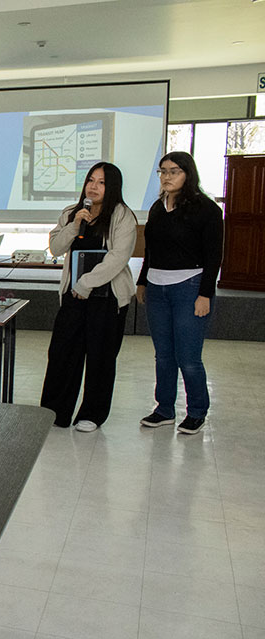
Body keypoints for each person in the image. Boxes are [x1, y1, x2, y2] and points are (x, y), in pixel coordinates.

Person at [40, 162, 137, 432]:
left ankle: (92, 414)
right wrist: (74, 225)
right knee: (62, 353)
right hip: (73, 295)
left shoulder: (122, 215)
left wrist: (87, 283)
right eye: (91, 180)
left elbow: (118, 257)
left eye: (101, 182)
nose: (93, 187)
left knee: (100, 356)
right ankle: (55, 412)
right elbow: (56, 248)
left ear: (112, 187)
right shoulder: (72, 213)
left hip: (107, 297)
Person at [136, 151, 224, 435]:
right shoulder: (157, 208)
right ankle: (164, 409)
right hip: (156, 287)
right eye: (162, 171)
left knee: (188, 356)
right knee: (163, 355)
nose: (166, 177)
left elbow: (214, 256)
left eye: (173, 171)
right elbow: (151, 250)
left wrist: (205, 294)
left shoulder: (206, 209)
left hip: (190, 287)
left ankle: (197, 412)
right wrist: (142, 281)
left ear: (188, 173)